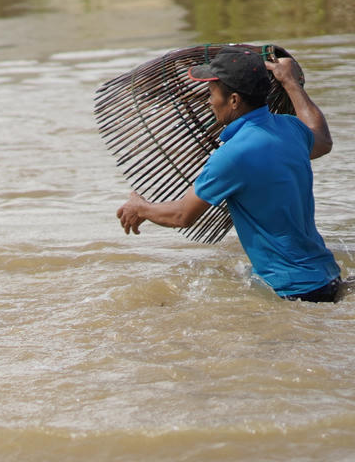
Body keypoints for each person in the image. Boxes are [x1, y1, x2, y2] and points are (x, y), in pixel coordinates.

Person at [116, 48, 342, 302]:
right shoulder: (290, 129)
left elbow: (182, 215)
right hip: (328, 276)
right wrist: (291, 83)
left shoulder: (233, 156)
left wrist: (141, 208)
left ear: (234, 100)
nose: (209, 101)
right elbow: (322, 140)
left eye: (212, 93)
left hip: (293, 291)